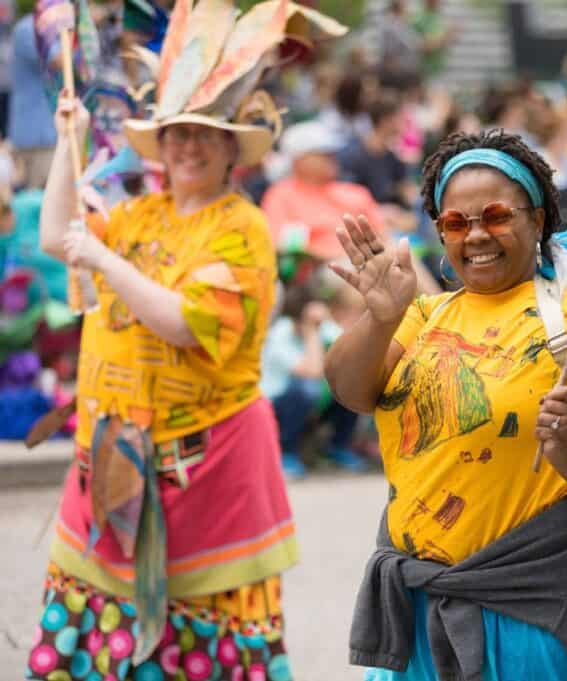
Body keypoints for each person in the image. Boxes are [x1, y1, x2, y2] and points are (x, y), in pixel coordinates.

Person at [25, 5, 325, 674]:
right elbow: (56, 236)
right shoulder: (137, 213)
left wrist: (107, 264)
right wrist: (63, 142)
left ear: (230, 151)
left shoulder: (241, 227)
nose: (189, 146)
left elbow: (186, 322)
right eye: (178, 133)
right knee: (95, 621)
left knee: (199, 635)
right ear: (159, 145)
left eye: (205, 136)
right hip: (113, 448)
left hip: (207, 461)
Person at [328, 130, 567, 679]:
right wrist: (381, 317)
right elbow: (350, 390)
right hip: (421, 612)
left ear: (538, 220)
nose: (476, 235)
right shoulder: (422, 316)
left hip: (539, 617)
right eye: (456, 223)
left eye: (496, 216)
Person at [261, 281, 369, 478]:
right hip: (275, 407)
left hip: (308, 406)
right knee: (306, 389)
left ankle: (336, 447)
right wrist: (311, 331)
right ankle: (286, 452)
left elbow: (351, 350)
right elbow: (312, 371)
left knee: (352, 381)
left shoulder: (322, 326)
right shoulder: (280, 333)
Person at [262, 119, 384, 260]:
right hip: (322, 269)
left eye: (332, 152)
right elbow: (280, 244)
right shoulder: (281, 194)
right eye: (323, 153)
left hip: (371, 260)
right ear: (298, 160)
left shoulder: (355, 192)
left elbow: (382, 234)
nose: (332, 157)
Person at [8, 13, 57, 189]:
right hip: (36, 139)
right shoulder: (28, 28)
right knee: (41, 205)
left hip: (46, 136)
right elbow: (59, 61)